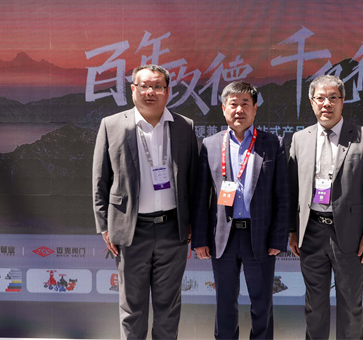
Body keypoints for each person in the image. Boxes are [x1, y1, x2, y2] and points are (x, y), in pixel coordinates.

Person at [92, 64, 198, 339]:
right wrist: (105, 226)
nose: (150, 92)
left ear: (167, 91)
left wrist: (193, 223)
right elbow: (100, 180)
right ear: (133, 90)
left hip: (172, 229)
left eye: (157, 86)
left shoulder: (184, 126)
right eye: (144, 86)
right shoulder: (112, 125)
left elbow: (193, 180)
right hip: (130, 230)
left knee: (168, 307)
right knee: (132, 308)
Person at [288, 74, 363, 340]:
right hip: (311, 233)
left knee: (351, 306)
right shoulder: (300, 139)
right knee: (314, 306)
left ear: (343, 102)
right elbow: (292, 190)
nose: (326, 104)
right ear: (311, 102)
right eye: (320, 98)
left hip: (350, 237)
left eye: (333, 98)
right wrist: (293, 231)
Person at [192, 80, 290, 339]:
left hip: (260, 236)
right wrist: (200, 239)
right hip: (222, 237)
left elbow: (282, 195)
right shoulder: (210, 144)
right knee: (225, 303)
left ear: (255, 108)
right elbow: (201, 197)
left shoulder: (273, 143)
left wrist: (278, 238)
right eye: (233, 104)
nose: (239, 109)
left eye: (245, 103)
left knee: (262, 303)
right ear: (224, 109)